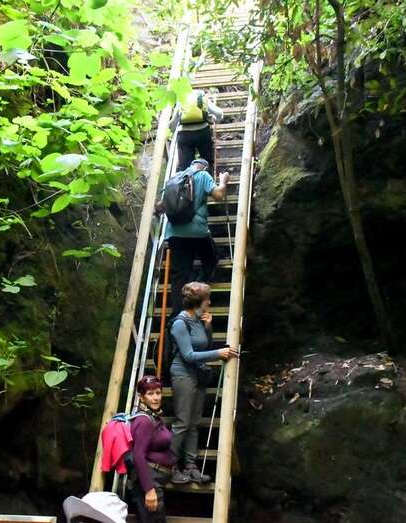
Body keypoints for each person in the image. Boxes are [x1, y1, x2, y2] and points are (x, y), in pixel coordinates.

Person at [169, 282, 239, 484]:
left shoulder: (199, 320)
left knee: (194, 423)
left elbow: (203, 344)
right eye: (207, 299)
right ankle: (171, 466)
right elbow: (189, 355)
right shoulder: (180, 323)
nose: (210, 301)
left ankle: (191, 467)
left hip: (199, 375)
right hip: (183, 374)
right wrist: (218, 353)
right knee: (182, 422)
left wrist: (208, 327)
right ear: (199, 301)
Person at [165, 158, 230, 319]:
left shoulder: (175, 177)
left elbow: (162, 204)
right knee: (210, 259)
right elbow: (219, 195)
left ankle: (177, 316)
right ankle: (198, 288)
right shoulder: (203, 175)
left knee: (180, 274)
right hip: (197, 232)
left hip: (174, 233)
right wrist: (223, 181)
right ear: (205, 167)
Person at [128, 376, 174, 523]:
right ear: (141, 397)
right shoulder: (144, 421)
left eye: (158, 393)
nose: (155, 398)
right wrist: (149, 489)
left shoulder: (153, 417)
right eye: (150, 394)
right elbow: (138, 456)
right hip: (150, 481)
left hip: (156, 478)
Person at [169, 88, 224, 171]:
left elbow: (171, 125)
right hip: (202, 132)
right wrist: (215, 119)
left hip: (184, 135)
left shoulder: (181, 100)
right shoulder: (201, 98)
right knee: (207, 161)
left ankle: (187, 182)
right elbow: (219, 114)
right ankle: (207, 179)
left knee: (185, 167)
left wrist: (173, 130)